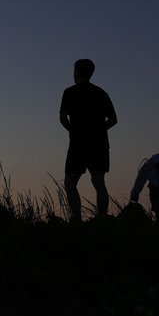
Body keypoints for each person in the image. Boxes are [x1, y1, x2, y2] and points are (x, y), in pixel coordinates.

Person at [59, 58, 117, 222]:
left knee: (70, 183)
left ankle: (76, 219)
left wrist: (74, 131)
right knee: (99, 182)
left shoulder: (69, 92)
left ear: (76, 72)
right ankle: (102, 218)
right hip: (99, 143)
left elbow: (63, 118)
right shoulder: (101, 93)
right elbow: (113, 119)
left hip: (78, 144)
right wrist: (98, 131)